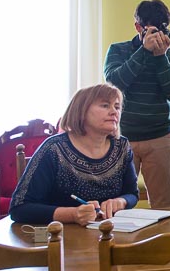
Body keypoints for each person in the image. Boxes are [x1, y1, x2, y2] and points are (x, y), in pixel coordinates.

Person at [9, 84, 139, 225]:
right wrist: (73, 214)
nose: (114, 112)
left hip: (110, 231)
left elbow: (132, 194)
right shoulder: (53, 149)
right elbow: (19, 208)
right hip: (61, 234)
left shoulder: (121, 146)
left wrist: (121, 201)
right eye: (105, 105)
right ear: (81, 111)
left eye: (117, 107)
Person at [103, 0, 170, 209]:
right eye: (152, 30)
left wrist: (160, 58)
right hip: (122, 138)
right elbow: (114, 83)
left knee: (164, 205)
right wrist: (143, 52)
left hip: (160, 137)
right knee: (116, 203)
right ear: (138, 27)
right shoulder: (118, 50)